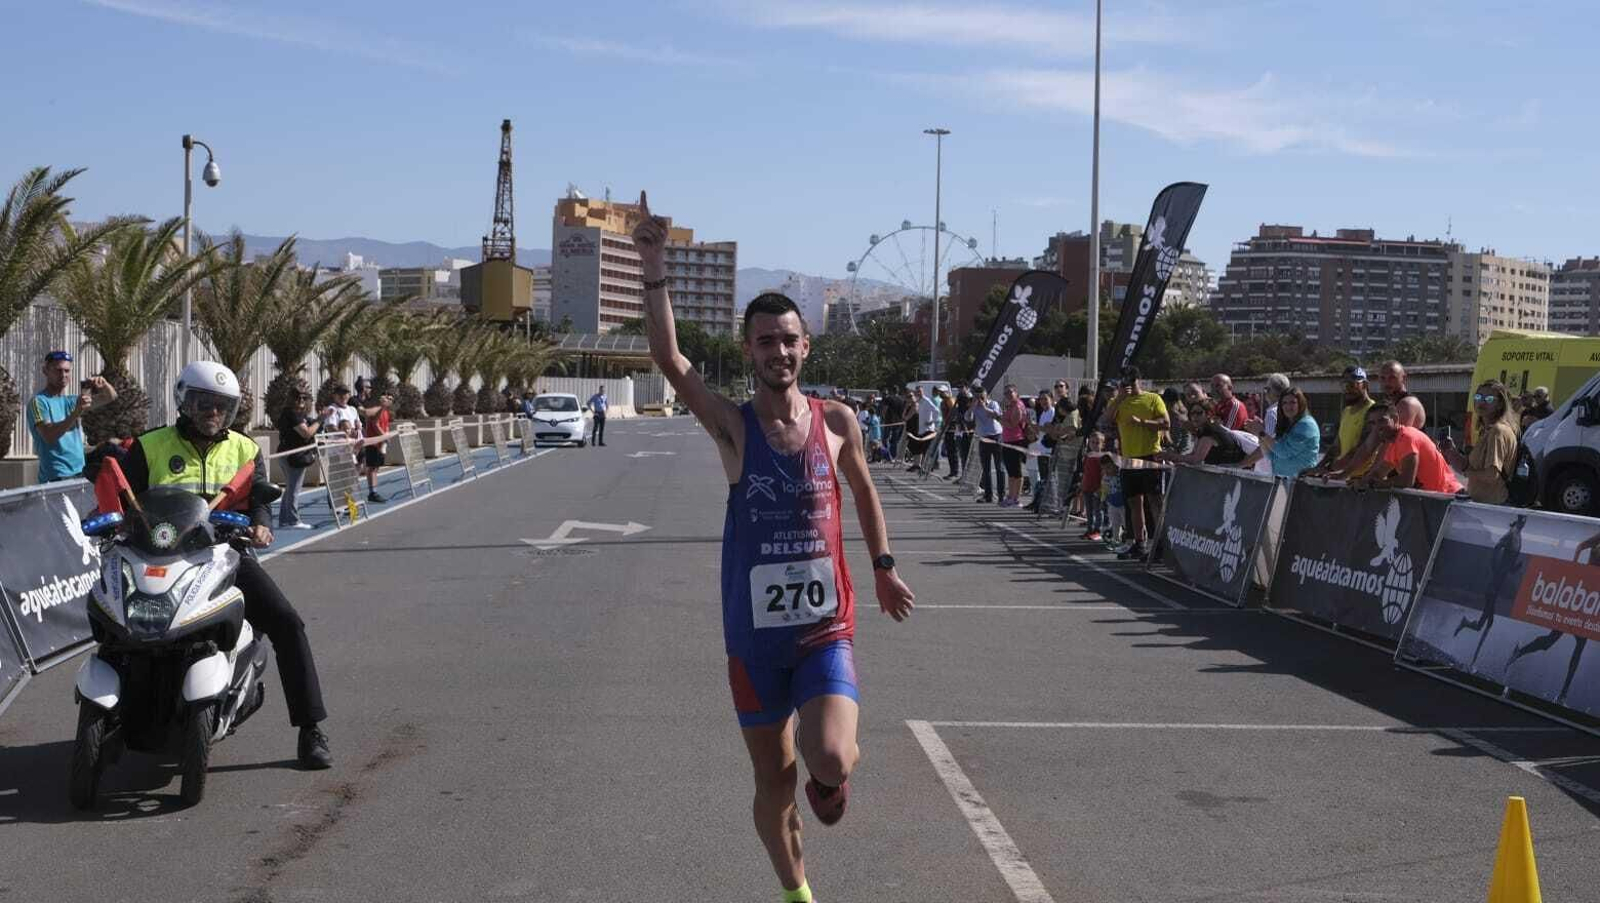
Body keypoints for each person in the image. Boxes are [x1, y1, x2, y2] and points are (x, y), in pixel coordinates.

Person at [634, 193, 914, 903]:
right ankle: (797, 893)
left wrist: (882, 566)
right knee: (773, 780)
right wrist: (654, 261)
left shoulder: (839, 420)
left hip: (824, 629)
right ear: (749, 350)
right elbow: (669, 358)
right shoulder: (733, 428)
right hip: (755, 639)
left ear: (805, 345)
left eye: (789, 339)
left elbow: (865, 493)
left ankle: (834, 773)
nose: (779, 351)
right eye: (765, 341)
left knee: (828, 754)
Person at [122, 361, 331, 769]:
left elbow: (259, 500)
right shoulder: (149, 446)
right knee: (118, 626)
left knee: (287, 622)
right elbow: (123, 498)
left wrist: (262, 524)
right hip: (160, 559)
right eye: (204, 402)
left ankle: (311, 730)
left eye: (221, 406)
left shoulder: (245, 449)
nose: (212, 412)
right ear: (184, 401)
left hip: (225, 556)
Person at [28, 350, 117, 483]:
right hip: (56, 476)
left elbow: (110, 397)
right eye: (58, 370)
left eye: (67, 371)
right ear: (45, 371)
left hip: (80, 472)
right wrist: (76, 412)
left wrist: (104, 384)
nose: (63, 375)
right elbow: (48, 435)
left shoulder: (70, 401)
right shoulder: (38, 402)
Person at [1112, 367, 1168, 560]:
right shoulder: (1118, 400)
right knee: (1134, 502)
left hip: (1150, 456)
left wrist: (1142, 422)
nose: (1129, 386)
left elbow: (1165, 423)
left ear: (1139, 380)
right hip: (1128, 459)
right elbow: (1104, 420)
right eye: (1125, 382)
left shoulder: (1153, 398)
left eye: (1132, 382)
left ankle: (1160, 544)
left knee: (1155, 501)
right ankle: (1139, 543)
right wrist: (1119, 399)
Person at [1353, 405, 1462, 494]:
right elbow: (1379, 473)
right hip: (1439, 499)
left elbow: (1406, 481)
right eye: (1372, 423)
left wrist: (1374, 484)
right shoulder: (1394, 443)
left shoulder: (1406, 437)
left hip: (1451, 498)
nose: (1376, 427)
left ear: (1395, 419)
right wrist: (1362, 481)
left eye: (1382, 421)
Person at [1444, 381, 1519, 505]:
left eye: (1489, 399)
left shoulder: (1497, 431)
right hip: (1483, 503)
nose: (1481, 402)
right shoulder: (1487, 431)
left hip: (1492, 506)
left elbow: (1491, 475)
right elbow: (1469, 467)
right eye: (1478, 397)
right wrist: (1452, 452)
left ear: (1500, 404)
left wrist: (1468, 473)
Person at [1241, 387, 1320, 478]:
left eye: (1293, 402)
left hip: (1301, 484)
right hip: (1283, 482)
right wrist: (1259, 434)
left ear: (1301, 404)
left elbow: (1284, 451)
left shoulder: (1306, 425)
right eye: (1284, 403)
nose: (1288, 406)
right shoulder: (1287, 424)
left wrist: (1261, 432)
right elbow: (1271, 456)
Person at [274, 389, 321, 529]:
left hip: (290, 454)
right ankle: (293, 520)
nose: (301, 400)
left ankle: (284, 519)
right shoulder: (291, 413)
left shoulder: (299, 414)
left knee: (290, 488)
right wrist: (320, 419)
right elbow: (306, 433)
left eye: (304, 398)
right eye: (297, 397)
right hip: (292, 455)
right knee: (294, 489)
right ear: (291, 398)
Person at [1159, 406, 1256, 468]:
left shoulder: (1210, 432)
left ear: (1208, 415)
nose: (1195, 417)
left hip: (1233, 474)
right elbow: (1192, 455)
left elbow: (1196, 460)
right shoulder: (1202, 431)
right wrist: (1175, 459)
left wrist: (1170, 456)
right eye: (1192, 413)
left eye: (1199, 413)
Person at [356, 385, 393, 504]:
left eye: (391, 399)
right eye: (387, 398)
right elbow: (374, 424)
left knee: (376, 468)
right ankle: (372, 492)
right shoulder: (378, 409)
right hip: (373, 442)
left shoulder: (386, 412)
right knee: (371, 468)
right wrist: (384, 436)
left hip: (380, 443)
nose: (388, 400)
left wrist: (385, 439)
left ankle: (374, 491)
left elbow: (385, 425)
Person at [970, 384, 1005, 504]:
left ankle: (1001, 495)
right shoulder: (974, 406)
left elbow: (996, 415)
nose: (980, 400)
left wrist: (984, 407)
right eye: (977, 397)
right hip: (983, 438)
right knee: (986, 468)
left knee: (999, 467)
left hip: (996, 436)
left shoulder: (993, 403)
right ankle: (988, 495)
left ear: (987, 396)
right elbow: (968, 418)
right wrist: (972, 407)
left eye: (982, 397)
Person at [998, 385, 1029, 507]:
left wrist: (1000, 419)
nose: (1008, 395)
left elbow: (1012, 424)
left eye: (1011, 392)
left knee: (1016, 471)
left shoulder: (1018, 406)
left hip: (1016, 440)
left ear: (1016, 392)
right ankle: (1010, 496)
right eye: (1006, 393)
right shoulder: (1010, 406)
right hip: (1007, 440)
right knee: (1010, 471)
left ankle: (1016, 498)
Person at [1377, 360, 1427, 430]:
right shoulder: (1390, 403)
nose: (1387, 382)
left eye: (1392, 377)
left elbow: (1395, 437)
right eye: (1383, 378)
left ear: (1403, 378)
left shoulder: (1408, 403)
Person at [1080, 433, 1106, 541]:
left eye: (1097, 443)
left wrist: (1101, 488)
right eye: (1092, 442)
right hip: (1087, 487)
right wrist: (1082, 484)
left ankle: (1098, 529)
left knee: (1098, 510)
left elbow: (1104, 473)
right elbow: (1085, 472)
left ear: (1102, 445)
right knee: (1089, 510)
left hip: (1097, 488)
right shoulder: (1087, 456)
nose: (1095, 445)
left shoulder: (1102, 457)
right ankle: (1089, 529)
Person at [879, 390, 905, 462]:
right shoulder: (901, 400)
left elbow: (885, 409)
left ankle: (887, 456)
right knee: (894, 440)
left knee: (885, 439)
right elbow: (903, 410)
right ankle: (893, 456)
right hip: (898, 422)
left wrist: (884, 417)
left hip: (889, 421)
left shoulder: (889, 398)